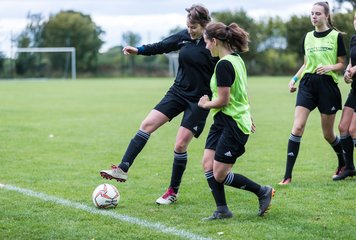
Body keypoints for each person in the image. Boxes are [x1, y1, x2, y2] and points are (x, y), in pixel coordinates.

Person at [100, 4, 217, 205]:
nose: (190, 30)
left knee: (180, 145)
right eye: (188, 26)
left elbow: (229, 71)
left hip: (199, 100)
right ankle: (123, 168)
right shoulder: (184, 36)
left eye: (194, 27)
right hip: (178, 92)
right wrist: (139, 50)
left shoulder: (214, 44)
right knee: (147, 124)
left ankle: (172, 191)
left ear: (205, 25)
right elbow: (162, 45)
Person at [198, 21, 275, 220]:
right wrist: (248, 113)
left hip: (233, 124)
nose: (206, 47)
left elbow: (224, 100)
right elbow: (242, 92)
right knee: (208, 164)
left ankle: (262, 191)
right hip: (222, 121)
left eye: (207, 42)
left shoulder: (224, 64)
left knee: (220, 174)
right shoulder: (236, 59)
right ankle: (222, 210)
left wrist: (205, 103)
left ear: (214, 41)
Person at [279, 1, 346, 185]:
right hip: (308, 84)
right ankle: (287, 176)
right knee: (298, 127)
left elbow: (341, 64)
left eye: (318, 13)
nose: (314, 16)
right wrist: (294, 80)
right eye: (312, 13)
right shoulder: (307, 37)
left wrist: (329, 67)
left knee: (328, 134)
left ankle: (343, 163)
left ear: (326, 16)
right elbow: (306, 64)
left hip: (327, 85)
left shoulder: (336, 36)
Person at [334, 9, 356, 181]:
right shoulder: (353, 39)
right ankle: (349, 168)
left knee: (354, 129)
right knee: (343, 127)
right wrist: (347, 72)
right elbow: (351, 61)